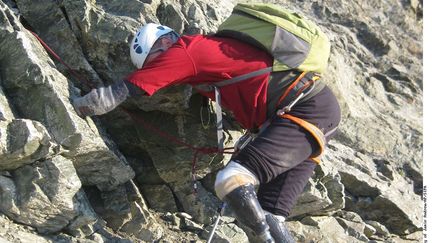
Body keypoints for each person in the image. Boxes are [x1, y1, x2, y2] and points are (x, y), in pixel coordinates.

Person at [72, 23, 341, 242]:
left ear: (163, 43)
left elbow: (119, 92)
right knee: (270, 214)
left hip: (304, 108)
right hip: (313, 114)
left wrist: (83, 103)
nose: (155, 69)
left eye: (152, 61)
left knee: (231, 179)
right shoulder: (207, 56)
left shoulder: (185, 50)